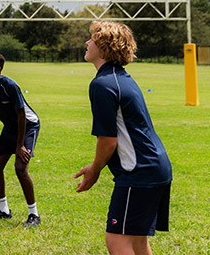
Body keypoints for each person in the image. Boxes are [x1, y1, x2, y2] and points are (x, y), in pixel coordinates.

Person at [74, 21, 172, 254]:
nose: (87, 42)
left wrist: (95, 169)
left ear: (104, 47)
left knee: (117, 240)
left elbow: (108, 140)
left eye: (92, 39)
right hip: (155, 168)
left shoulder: (103, 84)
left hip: (139, 173)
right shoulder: (121, 78)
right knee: (137, 241)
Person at [0, 51, 42, 228]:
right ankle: (4, 211)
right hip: (10, 128)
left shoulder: (10, 86)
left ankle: (34, 214)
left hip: (28, 126)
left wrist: (19, 145)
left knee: (20, 167)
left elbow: (22, 116)